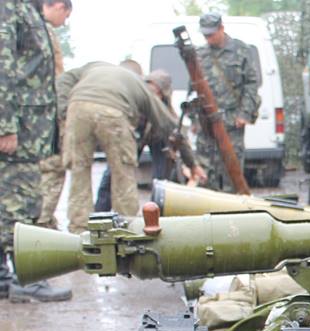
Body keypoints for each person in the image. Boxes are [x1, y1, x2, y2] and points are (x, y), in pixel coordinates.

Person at [0, 0, 71, 302]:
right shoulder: (11, 8)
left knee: (8, 201)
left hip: (28, 128)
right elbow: (2, 66)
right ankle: (26, 279)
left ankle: (5, 279)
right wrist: (5, 124)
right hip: (20, 129)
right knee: (21, 203)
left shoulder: (26, 9)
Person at [58, 61, 181, 232]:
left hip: (78, 108)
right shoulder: (138, 83)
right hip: (113, 112)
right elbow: (168, 125)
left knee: (79, 171)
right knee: (123, 173)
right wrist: (192, 164)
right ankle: (127, 227)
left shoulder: (95, 66)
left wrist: (64, 111)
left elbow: (64, 79)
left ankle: (79, 229)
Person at [94, 69, 206, 212]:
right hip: (131, 138)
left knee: (161, 182)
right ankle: (100, 214)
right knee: (112, 175)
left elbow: (178, 136)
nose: (152, 94)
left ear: (162, 94)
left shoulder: (163, 113)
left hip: (156, 139)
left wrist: (193, 165)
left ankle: (157, 212)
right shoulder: (132, 103)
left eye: (156, 91)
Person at [196, 12, 260, 192]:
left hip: (232, 121)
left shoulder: (241, 50)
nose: (208, 38)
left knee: (232, 170)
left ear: (221, 29)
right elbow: (194, 89)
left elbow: (251, 84)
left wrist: (245, 113)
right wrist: (195, 121)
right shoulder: (200, 55)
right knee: (206, 171)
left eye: (211, 34)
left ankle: (232, 204)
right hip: (207, 124)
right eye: (205, 35)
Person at [36, 0, 72, 231]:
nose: (64, 22)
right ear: (59, 6)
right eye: (66, 16)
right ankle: (42, 221)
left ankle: (44, 220)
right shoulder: (44, 31)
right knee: (54, 167)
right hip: (44, 115)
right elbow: (55, 77)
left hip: (33, 114)